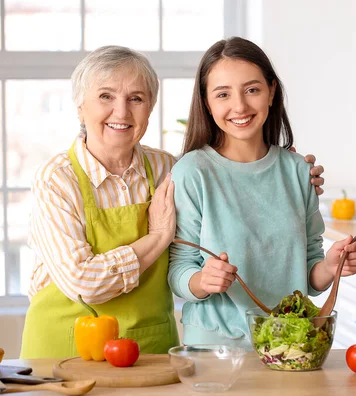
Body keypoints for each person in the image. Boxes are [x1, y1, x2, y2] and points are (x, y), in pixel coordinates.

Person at [21, 45, 325, 358]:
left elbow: (232, 181)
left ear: (150, 107)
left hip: (149, 347)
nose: (122, 112)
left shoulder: (169, 169)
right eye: (105, 96)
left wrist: (290, 177)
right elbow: (85, 283)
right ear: (80, 106)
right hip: (66, 350)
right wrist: (158, 237)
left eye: (136, 98)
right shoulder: (57, 180)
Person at [168, 37, 356, 349]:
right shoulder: (192, 172)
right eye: (223, 94)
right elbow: (179, 269)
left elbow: (310, 273)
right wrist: (202, 281)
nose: (240, 106)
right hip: (215, 349)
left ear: (271, 92)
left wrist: (331, 265)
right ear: (207, 102)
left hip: (291, 346)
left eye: (252, 89)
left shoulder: (299, 172)